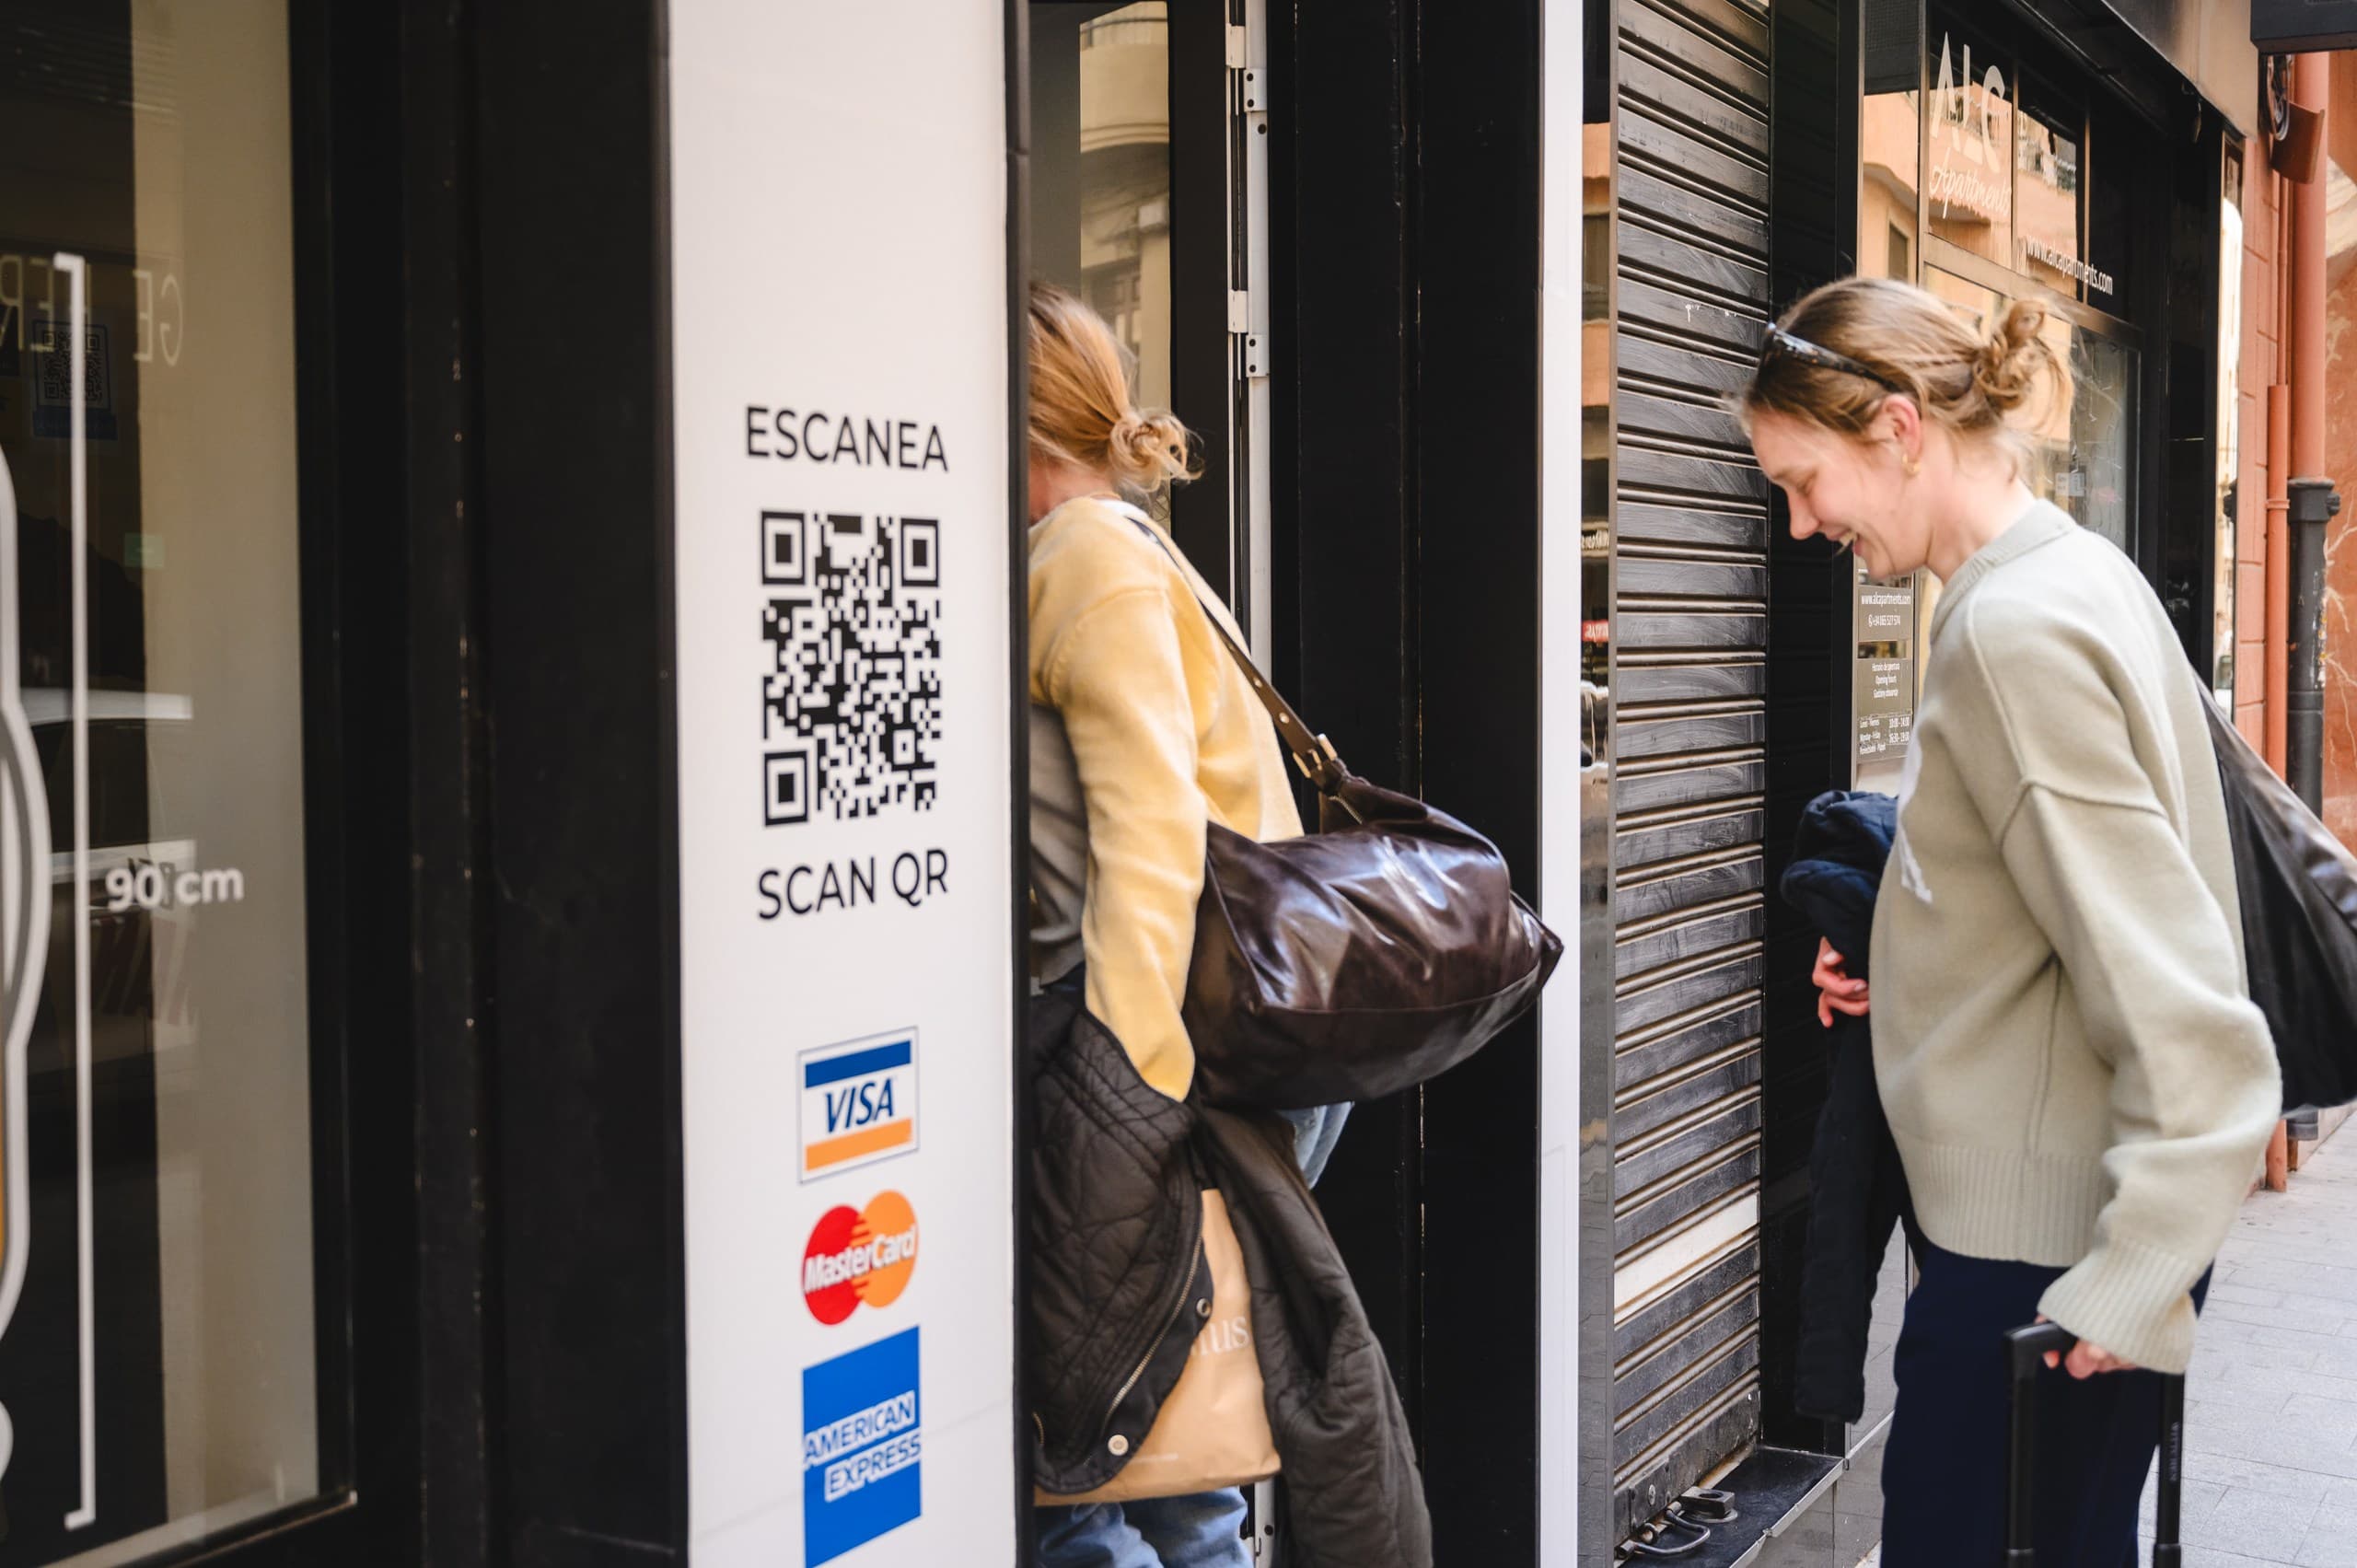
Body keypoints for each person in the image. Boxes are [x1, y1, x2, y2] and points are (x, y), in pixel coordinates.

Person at [1737, 276, 2280, 1564]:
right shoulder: (2068, 572)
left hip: (2044, 1273)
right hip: (2043, 1243)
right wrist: (1905, 946)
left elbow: (2183, 993)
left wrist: (2140, 1269)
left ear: (1899, 428)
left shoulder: (2012, 634)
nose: (1807, 525)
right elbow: (2055, 888)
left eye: (1809, 481)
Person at [1024, 282, 1340, 1567]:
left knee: (1083, 1476)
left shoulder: (1083, 555)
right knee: (1170, 1436)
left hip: (1164, 1060)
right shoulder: (1137, 543)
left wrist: (1129, 1105)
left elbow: (1152, 837)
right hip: (1227, 1050)